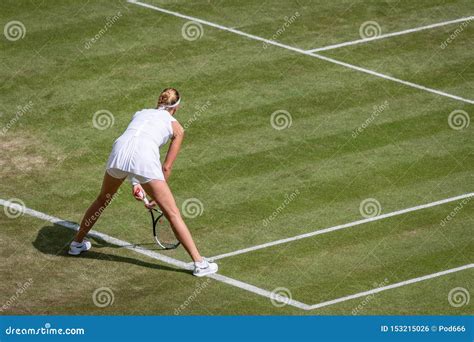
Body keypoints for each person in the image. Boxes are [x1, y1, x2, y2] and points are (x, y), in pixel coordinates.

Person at [68, 88, 218, 277]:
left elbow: (133, 146)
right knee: (172, 213)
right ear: (177, 107)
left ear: (159, 101)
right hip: (144, 157)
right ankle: (200, 263)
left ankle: (76, 244)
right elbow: (166, 168)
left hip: (119, 150)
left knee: (102, 200)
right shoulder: (177, 129)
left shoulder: (140, 113)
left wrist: (135, 183)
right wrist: (156, 194)